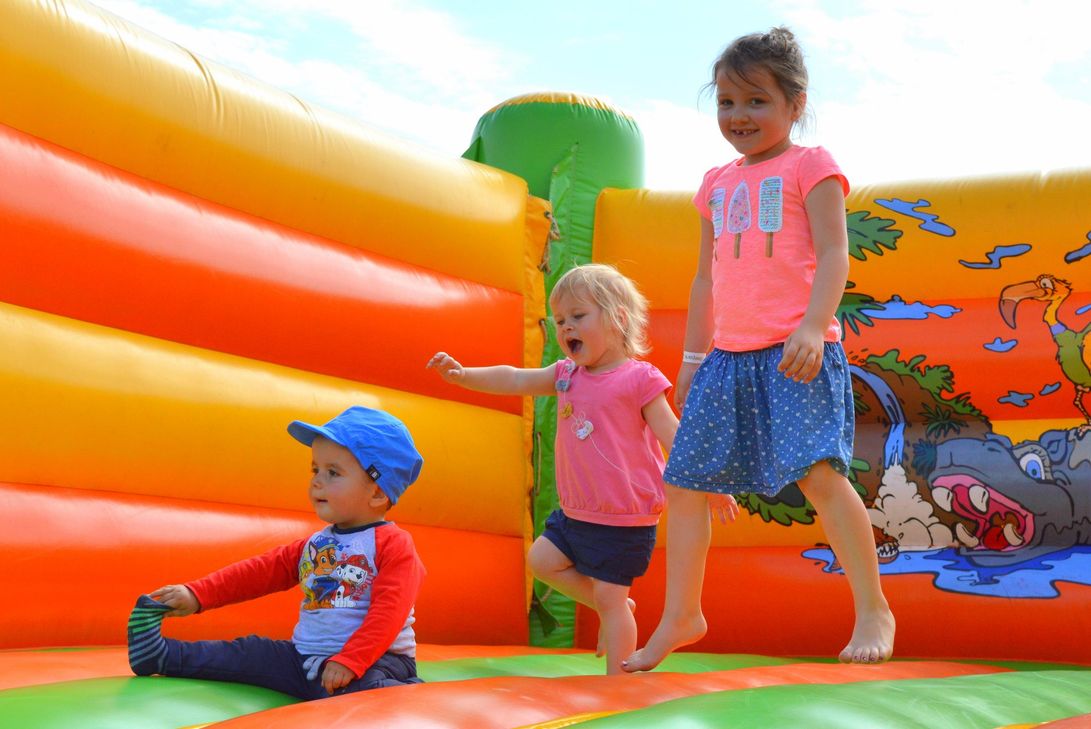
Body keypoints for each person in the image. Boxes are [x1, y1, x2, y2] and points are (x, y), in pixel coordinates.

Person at [623, 26, 895, 672]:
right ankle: (682, 613)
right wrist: (691, 360)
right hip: (727, 358)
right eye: (725, 102)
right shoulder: (714, 182)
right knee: (684, 483)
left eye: (756, 101)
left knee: (819, 476)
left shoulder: (811, 166)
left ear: (794, 105)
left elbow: (834, 252)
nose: (738, 116)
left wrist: (811, 325)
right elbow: (704, 278)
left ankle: (872, 607)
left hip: (793, 353)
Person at [427, 263, 733, 674]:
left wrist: (706, 482)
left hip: (623, 518)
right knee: (541, 561)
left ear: (617, 319)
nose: (566, 327)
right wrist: (464, 375)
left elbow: (672, 434)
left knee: (609, 598)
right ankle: (614, 606)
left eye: (578, 316)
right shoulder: (567, 375)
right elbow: (516, 378)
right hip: (575, 512)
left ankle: (619, 681)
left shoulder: (639, 379)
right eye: (559, 320)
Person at [126, 405, 427, 699]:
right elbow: (258, 573)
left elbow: (390, 610)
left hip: (377, 661)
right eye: (315, 469)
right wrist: (197, 594)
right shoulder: (315, 545)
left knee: (362, 691)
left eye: (333, 472)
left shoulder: (392, 544)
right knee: (251, 652)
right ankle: (162, 655)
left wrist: (351, 659)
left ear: (377, 492)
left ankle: (408, 697)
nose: (316, 480)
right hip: (307, 659)